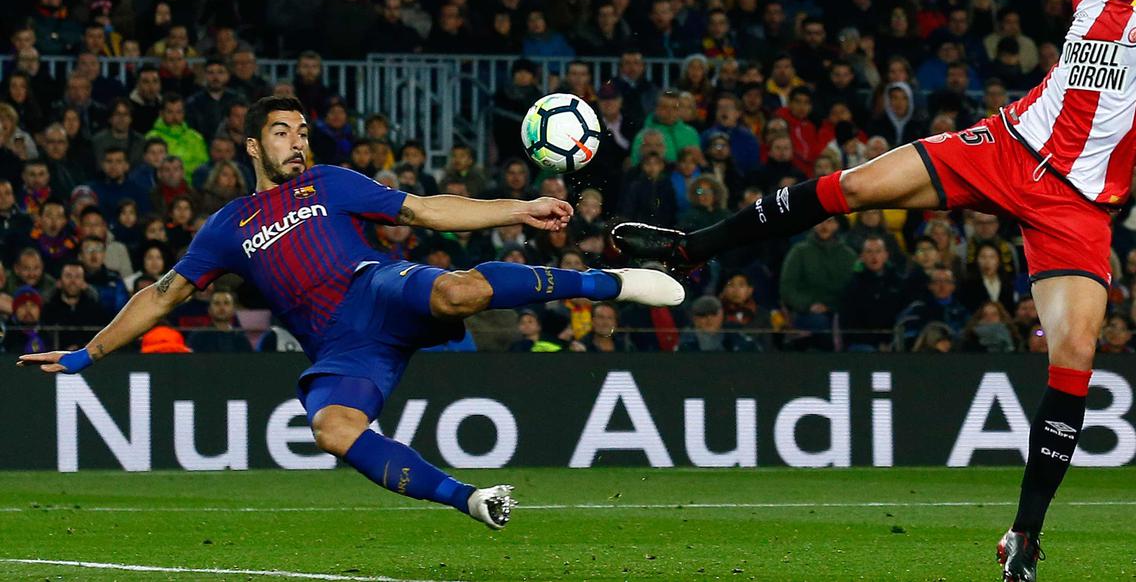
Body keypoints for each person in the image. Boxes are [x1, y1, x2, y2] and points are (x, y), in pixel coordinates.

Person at [610, 0, 1136, 580]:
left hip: (1076, 204)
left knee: (1075, 353)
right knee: (852, 186)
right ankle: (685, 249)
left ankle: (1023, 536)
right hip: (1003, 145)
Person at [19, 96, 683, 531]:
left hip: (377, 288)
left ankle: (604, 283)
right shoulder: (227, 226)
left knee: (458, 291)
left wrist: (517, 209)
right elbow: (162, 293)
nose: (297, 141)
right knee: (333, 430)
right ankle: (470, 499)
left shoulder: (330, 182)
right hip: (342, 348)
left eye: (302, 131)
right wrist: (89, 353)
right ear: (252, 147)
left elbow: (424, 208)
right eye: (281, 132)